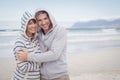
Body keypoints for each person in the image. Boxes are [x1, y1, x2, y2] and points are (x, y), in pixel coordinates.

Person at [17, 9, 70, 80]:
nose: (43, 22)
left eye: (45, 18)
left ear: (50, 18)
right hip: (42, 77)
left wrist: (28, 56)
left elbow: (54, 55)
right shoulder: (37, 35)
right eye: (39, 20)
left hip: (59, 76)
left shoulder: (60, 31)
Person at [12, 11, 41, 80]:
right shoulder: (20, 42)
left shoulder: (36, 40)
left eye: (34, 22)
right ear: (25, 25)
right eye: (30, 23)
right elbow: (23, 67)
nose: (33, 25)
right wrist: (40, 62)